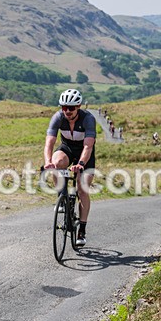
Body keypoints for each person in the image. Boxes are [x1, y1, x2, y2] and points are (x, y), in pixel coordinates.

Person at [43, 89, 96, 246]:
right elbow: (50, 142)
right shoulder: (58, 117)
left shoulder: (88, 119)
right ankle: (62, 197)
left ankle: (82, 231)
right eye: (64, 107)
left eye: (71, 108)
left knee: (82, 189)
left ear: (78, 106)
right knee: (56, 163)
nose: (67, 111)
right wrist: (48, 162)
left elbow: (88, 146)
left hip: (84, 153)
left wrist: (81, 164)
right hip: (67, 148)